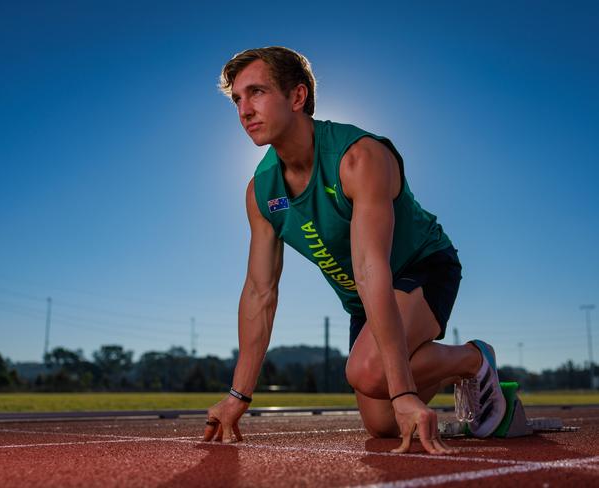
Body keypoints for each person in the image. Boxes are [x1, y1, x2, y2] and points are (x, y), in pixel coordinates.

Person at [202, 47, 506, 454]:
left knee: (370, 372)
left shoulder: (359, 157)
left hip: (421, 266)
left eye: (256, 92)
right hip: (364, 296)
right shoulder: (261, 192)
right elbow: (260, 292)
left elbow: (369, 266)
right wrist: (238, 395)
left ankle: (474, 359)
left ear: (297, 96)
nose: (244, 110)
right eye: (237, 99)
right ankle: (455, 364)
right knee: (382, 424)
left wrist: (403, 394)